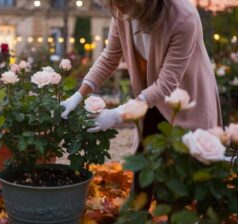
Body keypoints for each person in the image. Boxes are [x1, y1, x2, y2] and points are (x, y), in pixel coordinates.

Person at [60, 0, 222, 208]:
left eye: (120, 3)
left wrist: (117, 114)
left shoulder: (184, 17)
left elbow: (166, 84)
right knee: (143, 164)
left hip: (185, 99)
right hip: (149, 96)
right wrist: (78, 96)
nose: (116, 8)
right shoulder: (122, 11)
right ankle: (137, 214)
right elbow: (110, 58)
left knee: (176, 173)